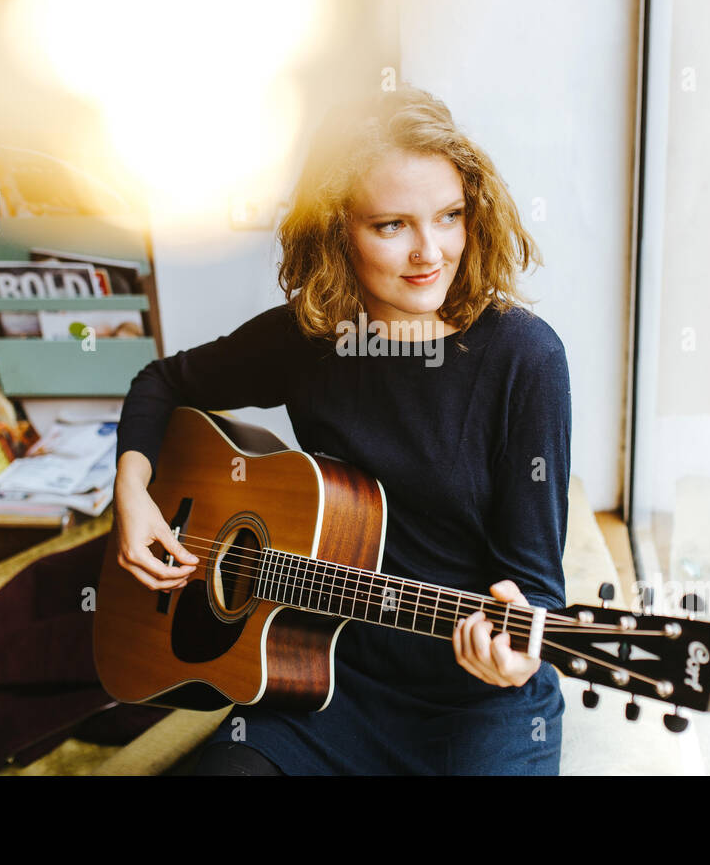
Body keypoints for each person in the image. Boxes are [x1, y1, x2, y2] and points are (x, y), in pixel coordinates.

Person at [112, 85, 572, 775]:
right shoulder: (311, 340)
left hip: (475, 710)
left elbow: (535, 586)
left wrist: (519, 650)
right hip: (324, 685)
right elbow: (163, 383)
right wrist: (133, 492)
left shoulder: (525, 358)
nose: (431, 252)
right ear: (334, 231)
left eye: (450, 216)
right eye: (391, 225)